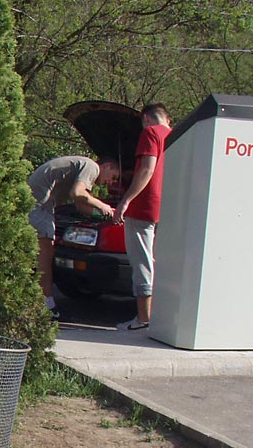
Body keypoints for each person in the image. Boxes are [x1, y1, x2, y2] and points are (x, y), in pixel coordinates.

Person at [27, 156, 120, 319]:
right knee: (45, 258)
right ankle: (46, 308)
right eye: (113, 177)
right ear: (107, 166)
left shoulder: (84, 170)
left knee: (41, 256)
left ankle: (40, 304)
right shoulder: (92, 167)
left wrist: (109, 215)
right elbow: (77, 193)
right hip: (39, 206)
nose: (110, 183)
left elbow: (81, 206)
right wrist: (103, 205)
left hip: (39, 204)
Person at [113, 103, 172, 331]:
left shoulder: (150, 133)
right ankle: (158, 317)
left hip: (144, 206)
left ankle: (143, 318)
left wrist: (126, 200)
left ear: (146, 118)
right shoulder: (177, 135)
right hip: (167, 207)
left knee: (142, 262)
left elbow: (147, 169)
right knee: (159, 262)